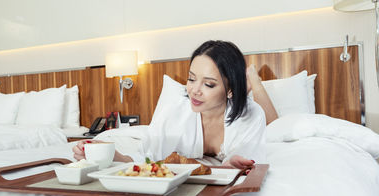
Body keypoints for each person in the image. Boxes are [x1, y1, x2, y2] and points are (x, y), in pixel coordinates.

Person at [73, 40, 275, 170]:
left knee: (275, 124)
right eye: (191, 79)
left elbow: (250, 164)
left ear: (230, 89)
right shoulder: (175, 111)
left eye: (209, 84)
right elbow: (145, 159)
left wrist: (231, 165)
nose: (195, 90)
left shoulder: (251, 115)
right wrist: (109, 152)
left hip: (240, 104)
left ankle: (253, 81)